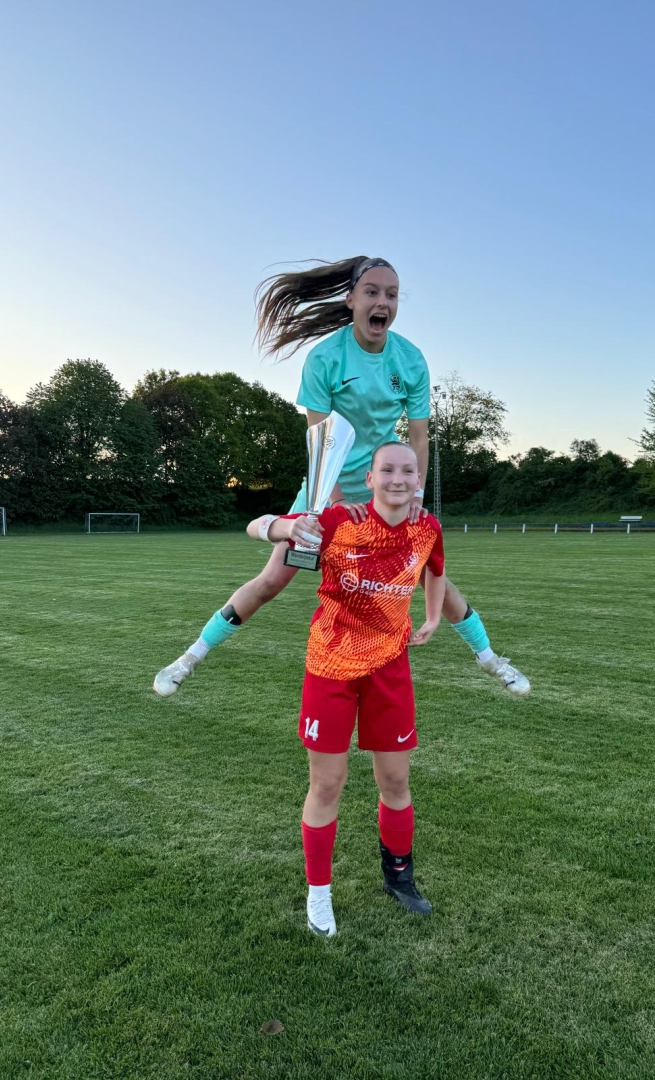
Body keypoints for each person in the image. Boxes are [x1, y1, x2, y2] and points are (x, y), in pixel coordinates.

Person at [153, 256, 529, 699]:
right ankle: (189, 658)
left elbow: (419, 437)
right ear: (350, 299)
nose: (383, 301)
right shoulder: (325, 358)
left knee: (432, 577)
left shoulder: (410, 360)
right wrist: (332, 503)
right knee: (272, 580)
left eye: (391, 294)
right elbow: (320, 440)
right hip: (326, 487)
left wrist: (413, 496)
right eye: (372, 292)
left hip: (384, 490)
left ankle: (491, 660)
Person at [246, 441, 445, 935]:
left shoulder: (427, 527)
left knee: (395, 782)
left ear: (417, 480)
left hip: (389, 669)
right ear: (370, 478)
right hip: (330, 666)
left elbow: (436, 571)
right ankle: (319, 895)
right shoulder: (338, 520)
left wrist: (434, 616)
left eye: (407, 471)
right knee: (327, 784)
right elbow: (256, 525)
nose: (398, 478)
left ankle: (399, 879)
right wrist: (286, 528)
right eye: (387, 470)